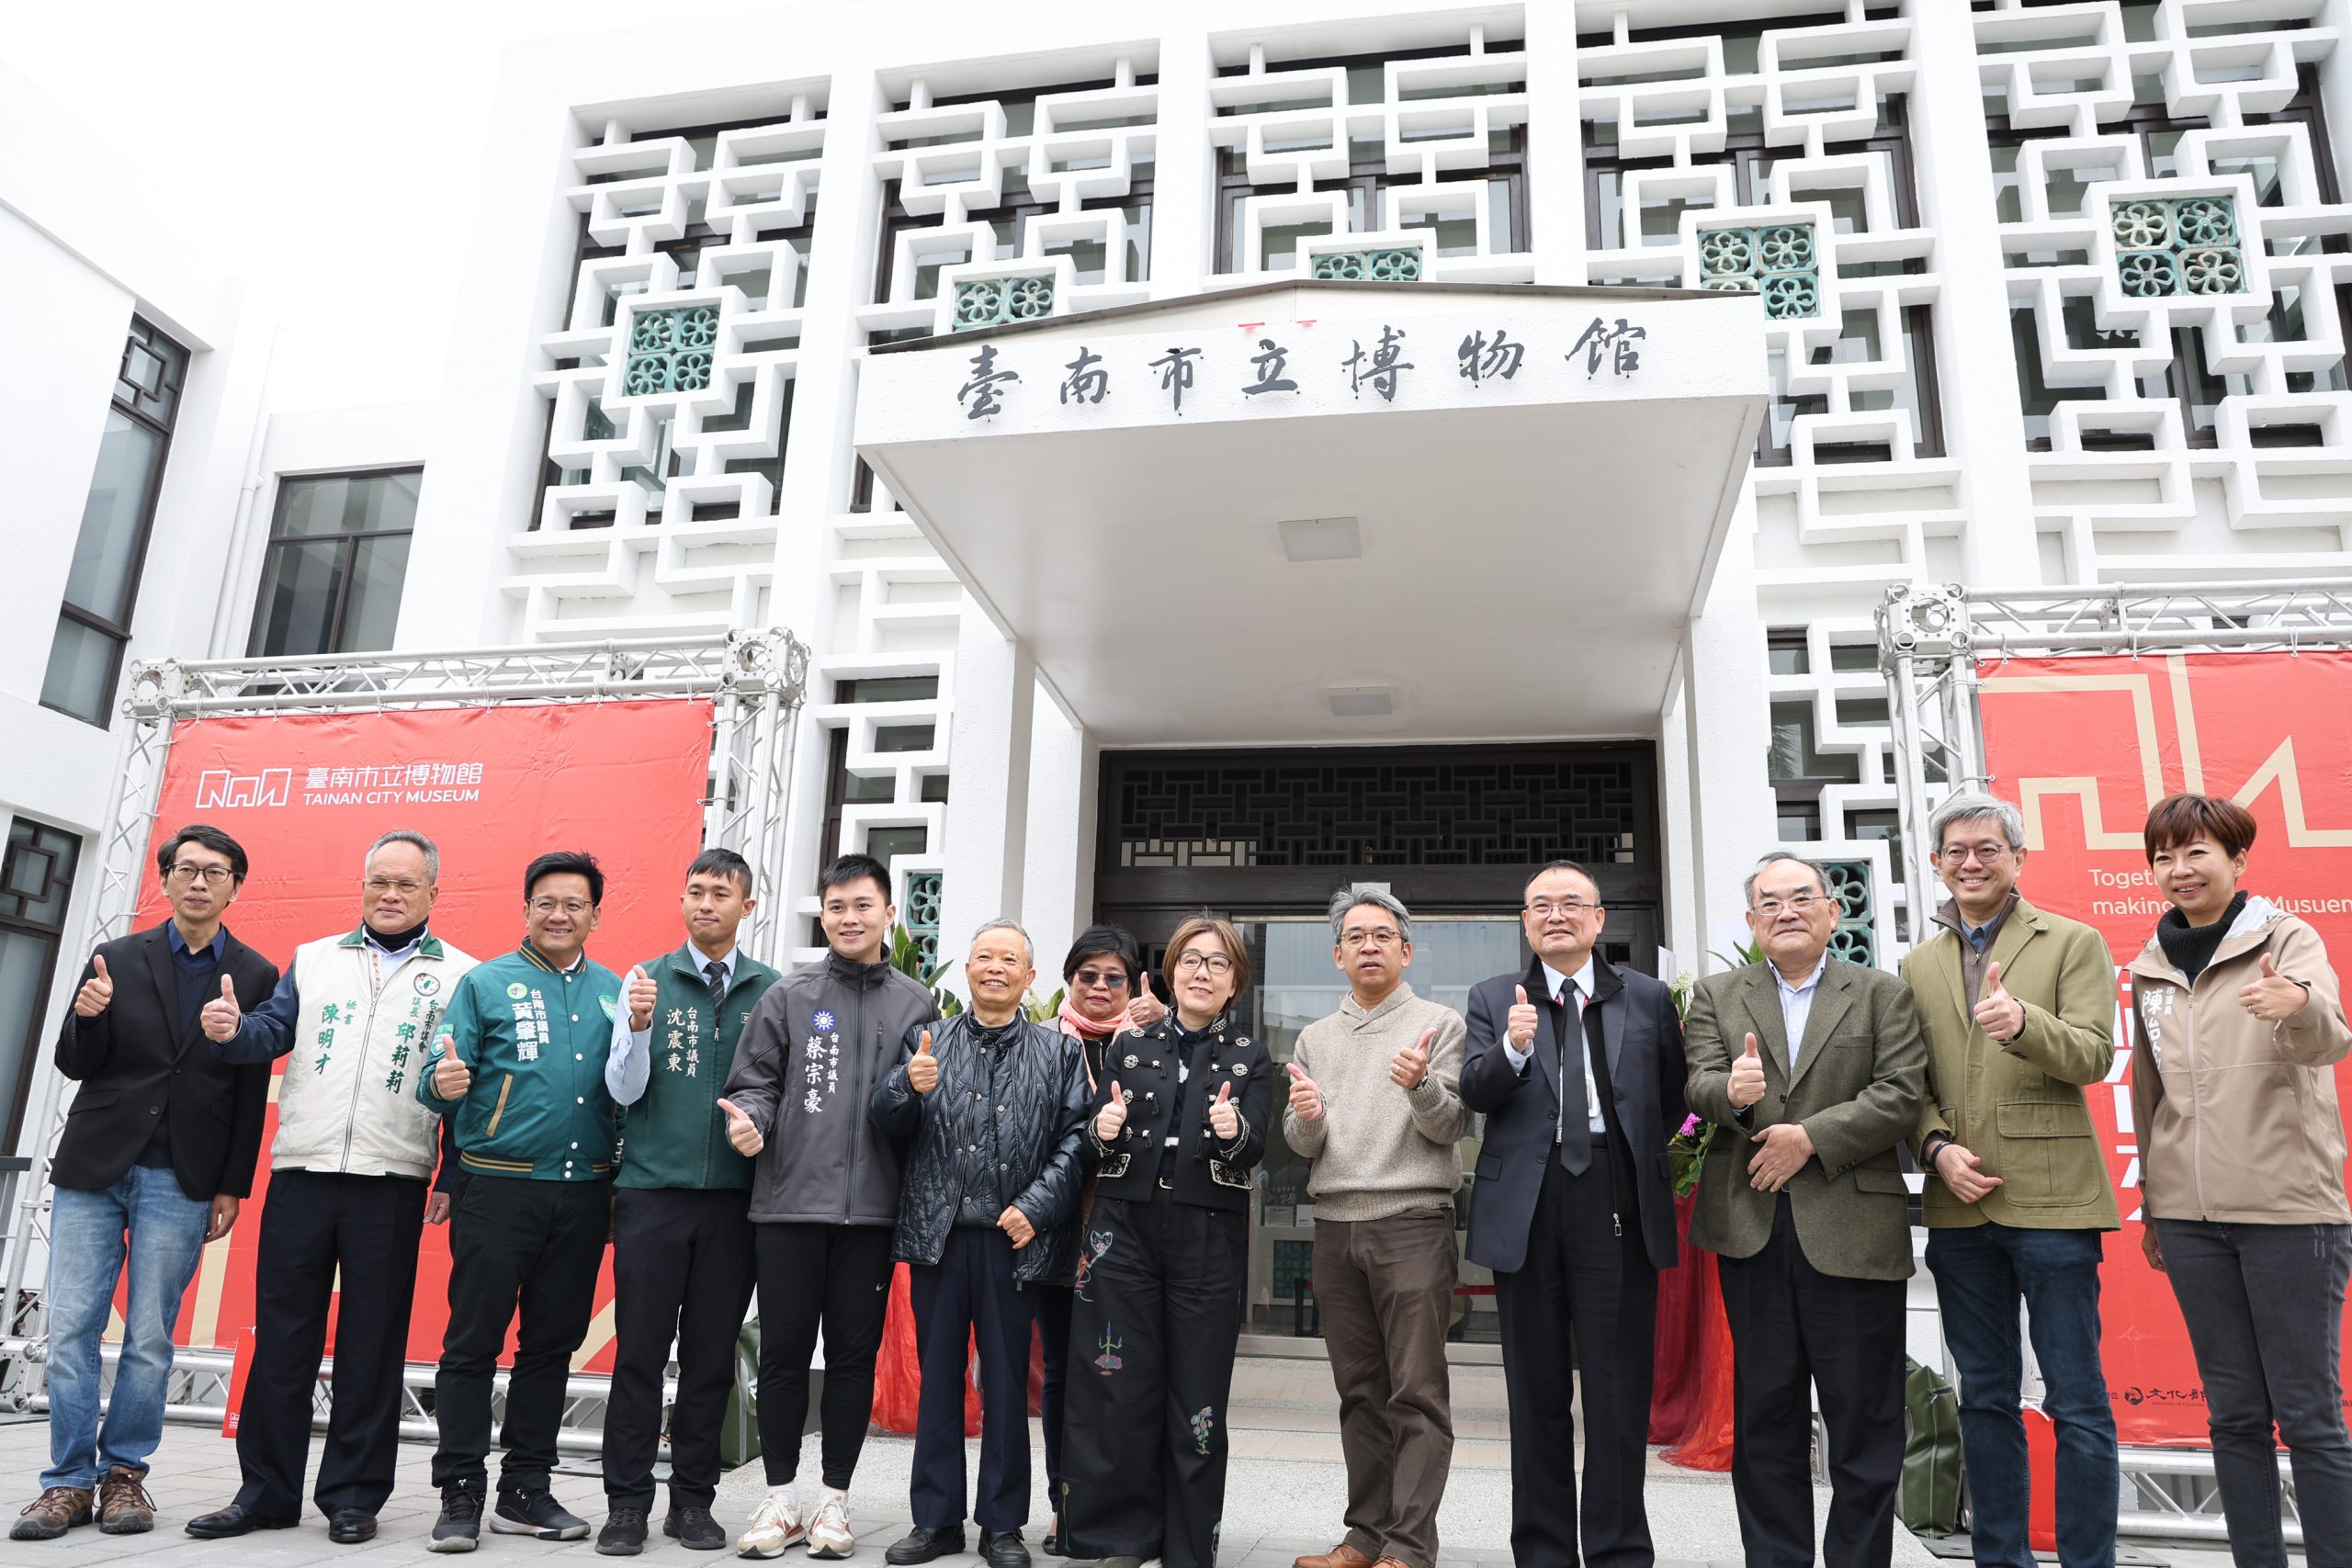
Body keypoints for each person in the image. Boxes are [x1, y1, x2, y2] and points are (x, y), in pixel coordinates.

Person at [185, 830, 476, 1546]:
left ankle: (352, 1495)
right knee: (284, 1340)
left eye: (406, 884)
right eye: (379, 880)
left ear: (433, 893)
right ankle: (265, 1491)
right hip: (304, 1173)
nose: (389, 894)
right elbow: (270, 1033)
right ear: (363, 883)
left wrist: (453, 1170)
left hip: (393, 1178)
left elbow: (466, 1083)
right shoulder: (314, 959)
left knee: (370, 1347)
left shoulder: (463, 976)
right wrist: (232, 1029)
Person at [13, 825, 277, 1544]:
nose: (199, 881)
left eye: (214, 871)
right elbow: (75, 1060)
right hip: (95, 1165)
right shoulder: (114, 957)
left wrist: (232, 1185)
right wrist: (86, 1017)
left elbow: (251, 1091)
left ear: (234, 885)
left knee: (152, 1335)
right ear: (164, 878)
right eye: (185, 868)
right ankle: (66, 1481)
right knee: (70, 1327)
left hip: (182, 1175)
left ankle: (124, 1473)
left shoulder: (256, 974)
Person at [1683, 851, 1927, 1568]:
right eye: (1769, 902)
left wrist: (1810, 1138)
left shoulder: (1883, 992)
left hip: (1852, 1229)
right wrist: (1729, 1093)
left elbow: (1901, 1093)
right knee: (1766, 1418)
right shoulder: (1717, 994)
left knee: (1864, 1419)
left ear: (1833, 911)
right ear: (1753, 921)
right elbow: (1695, 1081)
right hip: (1753, 1228)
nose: (1786, 911)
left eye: (1801, 897)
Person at [2129, 793, 2352, 1567]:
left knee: (2310, 1413)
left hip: (2290, 1212)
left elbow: (2331, 1035)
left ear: (2237, 859)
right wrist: (2156, 1208)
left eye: (2196, 852)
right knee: (2233, 1414)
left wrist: (2295, 1003)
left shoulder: (2287, 937)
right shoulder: (2149, 965)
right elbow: (2149, 1094)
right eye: (2164, 856)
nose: (2178, 870)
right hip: (2190, 1222)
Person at [1901, 793, 2120, 1568]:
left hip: (2055, 1201)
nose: (1970, 861)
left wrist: (2025, 1024)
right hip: (1958, 1205)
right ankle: (2000, 1556)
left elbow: (2097, 1052)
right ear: (1935, 863)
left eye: (1987, 848)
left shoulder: (2072, 940)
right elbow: (1907, 1079)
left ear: (2017, 858)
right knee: (1984, 1396)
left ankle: (2089, 1559)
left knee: (2077, 1400)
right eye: (1955, 850)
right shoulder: (1916, 962)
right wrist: (1933, 1148)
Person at [1458, 861, 1689, 1568]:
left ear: (1598, 919)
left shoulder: (1645, 998)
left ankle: (1620, 1551)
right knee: (1536, 1393)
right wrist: (1513, 1047)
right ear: (1526, 924)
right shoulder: (1497, 997)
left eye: (1571, 903)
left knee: (1618, 1393)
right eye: (1540, 906)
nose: (1556, 915)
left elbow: (1674, 1095)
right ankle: (1543, 1551)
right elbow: (1475, 1090)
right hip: (1527, 1204)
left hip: (1614, 1198)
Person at [719, 853, 939, 1558]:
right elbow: (754, 1083)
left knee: (852, 1359)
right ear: (824, 914)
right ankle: (780, 1498)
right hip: (788, 1207)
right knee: (783, 1355)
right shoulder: (788, 995)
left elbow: (923, 1111)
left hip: (872, 1216)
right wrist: (748, 1120)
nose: (850, 917)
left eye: (863, 905)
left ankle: (834, 1504)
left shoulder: (916, 1003)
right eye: (837, 905)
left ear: (888, 915)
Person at [415, 850, 625, 1553]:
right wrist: (442, 1083)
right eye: (546, 901)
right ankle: (461, 1489)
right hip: (496, 1186)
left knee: (551, 1347)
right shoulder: (486, 983)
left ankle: (525, 1488)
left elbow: (630, 1094)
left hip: (584, 1191)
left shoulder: (615, 993)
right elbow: (435, 1080)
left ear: (596, 913)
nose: (559, 914)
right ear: (527, 907)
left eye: (574, 903)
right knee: (472, 1343)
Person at [867, 920, 1090, 1568]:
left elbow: (1078, 1141)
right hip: (939, 1237)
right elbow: (886, 1122)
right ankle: (934, 1520)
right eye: (984, 956)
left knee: (1004, 1381)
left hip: (1011, 1240)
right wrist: (906, 1084)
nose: (996, 967)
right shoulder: (926, 1039)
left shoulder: (1059, 1053)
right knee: (939, 1380)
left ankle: (1002, 1524)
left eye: (1010, 958)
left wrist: (1036, 1207)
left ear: (1030, 977)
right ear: (966, 970)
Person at [1062, 914, 1272, 1568]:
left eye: (1217, 962)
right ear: (1170, 972)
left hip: (1207, 1231)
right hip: (1123, 1229)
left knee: (1197, 1394)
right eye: (1190, 960)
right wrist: (1106, 1123)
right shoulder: (1132, 1044)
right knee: (1116, 1383)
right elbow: (1096, 1142)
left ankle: (1187, 1545)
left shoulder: (1251, 1055)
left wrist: (1231, 1125)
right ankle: (1119, 1538)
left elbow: (1257, 1146)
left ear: (1234, 981)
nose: (1202, 971)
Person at [596, 848, 782, 1555]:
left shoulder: (772, 991)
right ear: (682, 900)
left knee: (710, 1358)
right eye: (696, 892)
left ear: (748, 906)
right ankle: (625, 1504)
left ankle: (694, 1501)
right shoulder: (646, 981)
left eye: (722, 894)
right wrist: (639, 1027)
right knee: (640, 1355)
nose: (707, 904)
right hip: (651, 1194)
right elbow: (622, 1088)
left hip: (735, 1204)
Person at [1283, 886, 1470, 1568]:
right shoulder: (1314, 1035)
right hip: (1335, 1225)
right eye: (1355, 937)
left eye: (1382, 935)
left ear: (1405, 948)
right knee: (1359, 1390)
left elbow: (1451, 1125)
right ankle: (1365, 1535)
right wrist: (1304, 1113)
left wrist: (1421, 1083)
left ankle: (1410, 1546)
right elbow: (1304, 1142)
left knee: (1416, 1390)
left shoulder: (1437, 1022)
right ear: (1337, 955)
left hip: (1413, 1221)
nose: (1369, 945)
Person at [1038, 925, 1164, 1555]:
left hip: (1126, 1237)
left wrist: (1164, 1023)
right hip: (1058, 1231)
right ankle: (1065, 1502)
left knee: (1119, 1371)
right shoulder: (1042, 1039)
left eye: (1113, 977)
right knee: (1064, 1369)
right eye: (1087, 975)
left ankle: (1118, 1503)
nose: (1099, 987)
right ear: (1069, 979)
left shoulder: (1150, 1042)